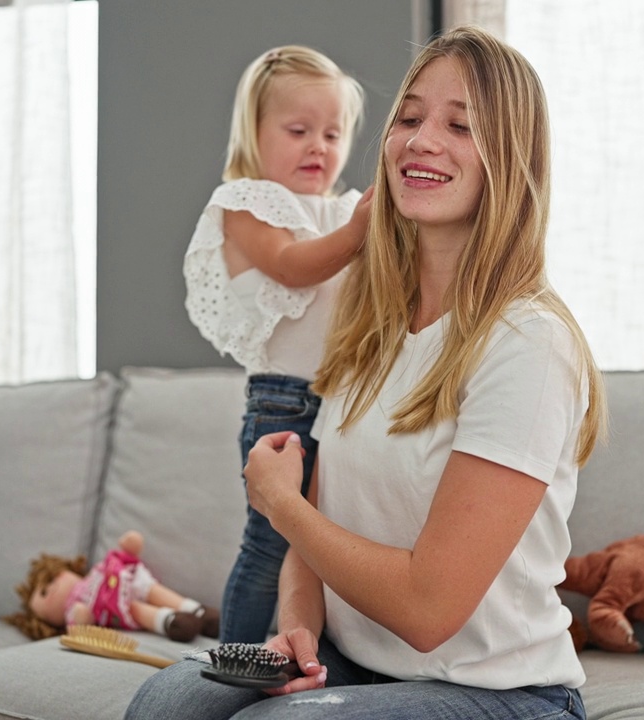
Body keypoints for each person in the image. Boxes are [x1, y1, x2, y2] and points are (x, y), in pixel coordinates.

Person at [127, 25, 607, 720]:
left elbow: (427, 608)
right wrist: (298, 627)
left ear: (512, 158)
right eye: (408, 118)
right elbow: (316, 534)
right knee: (165, 703)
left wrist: (279, 505)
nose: (420, 140)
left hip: (497, 693)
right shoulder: (368, 330)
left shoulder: (526, 342)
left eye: (460, 126)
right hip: (356, 666)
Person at [184, 44, 374, 643]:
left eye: (332, 132)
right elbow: (294, 266)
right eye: (298, 130)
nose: (318, 145)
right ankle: (235, 659)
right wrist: (360, 231)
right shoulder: (246, 204)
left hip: (347, 406)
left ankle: (310, 654)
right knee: (269, 546)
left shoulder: (342, 210)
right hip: (283, 401)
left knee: (328, 551)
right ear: (255, 132)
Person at [3, 530, 220, 643]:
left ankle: (196, 610)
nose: (49, 593)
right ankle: (168, 621)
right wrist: (81, 617)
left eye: (49, 583)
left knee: (152, 589)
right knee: (135, 609)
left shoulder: (95, 572)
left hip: (127, 578)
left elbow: (117, 563)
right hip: (112, 607)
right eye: (43, 596)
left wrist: (128, 549)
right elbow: (80, 625)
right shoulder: (74, 608)